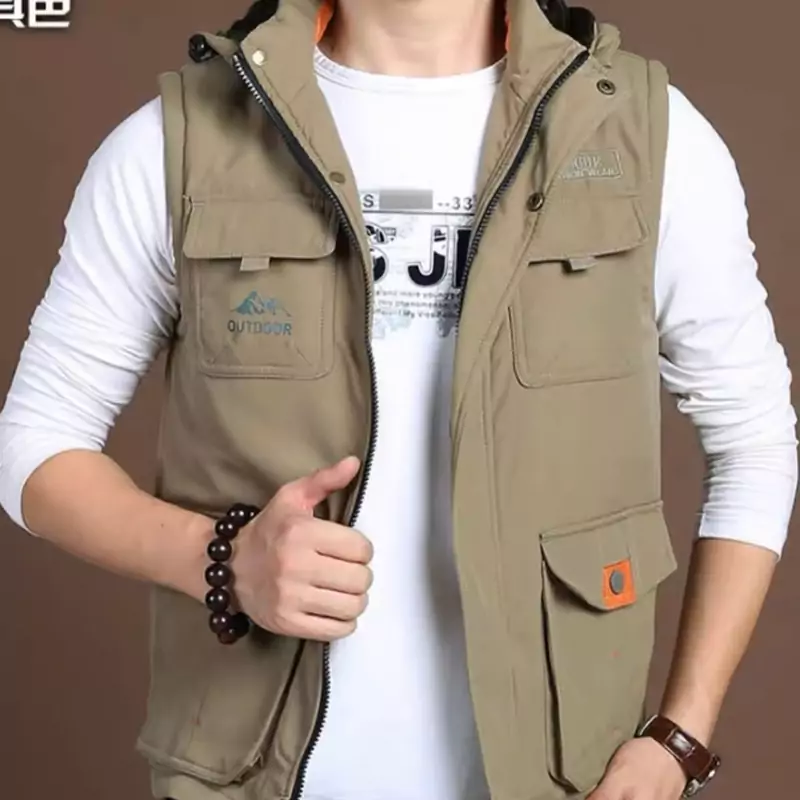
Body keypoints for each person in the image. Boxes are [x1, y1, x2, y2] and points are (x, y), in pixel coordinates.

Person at [1, 1, 796, 799]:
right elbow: (31, 445)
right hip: (247, 780)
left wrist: (679, 738)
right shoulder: (176, 142)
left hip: (564, 783)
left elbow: (755, 439)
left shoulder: (647, 136)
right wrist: (224, 559)